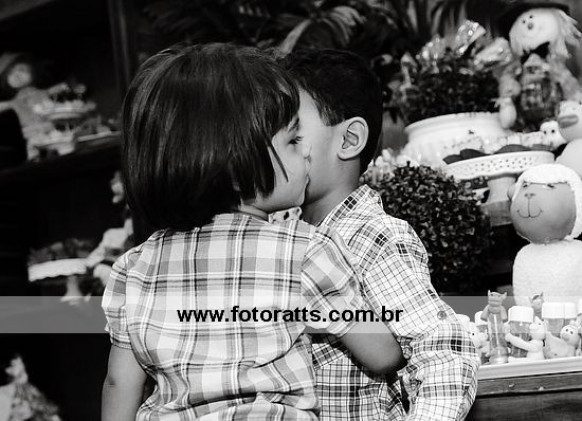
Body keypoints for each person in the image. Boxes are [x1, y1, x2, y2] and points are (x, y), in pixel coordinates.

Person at [101, 43, 404, 421]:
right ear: (236, 161)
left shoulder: (133, 268)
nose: (306, 152)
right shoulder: (303, 251)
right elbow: (381, 354)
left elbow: (119, 384)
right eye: (292, 141)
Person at [282, 49, 480, 420]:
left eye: (292, 133)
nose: (272, 145)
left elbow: (443, 354)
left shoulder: (373, 237)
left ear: (349, 140)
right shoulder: (280, 236)